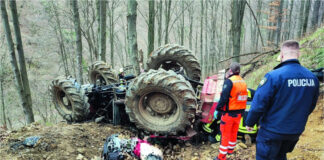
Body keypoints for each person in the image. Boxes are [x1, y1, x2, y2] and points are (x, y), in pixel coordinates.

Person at [245, 40, 320, 160]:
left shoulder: (274, 76)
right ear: (299, 54)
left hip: (272, 132)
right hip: (294, 132)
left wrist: (249, 122)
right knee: (281, 156)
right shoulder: (312, 78)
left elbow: (259, 104)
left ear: (282, 55)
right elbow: (311, 105)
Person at [214, 62, 248, 160]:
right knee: (233, 132)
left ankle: (221, 157)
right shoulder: (243, 81)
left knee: (225, 135)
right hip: (239, 114)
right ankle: (230, 151)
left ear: (230, 71)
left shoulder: (229, 81)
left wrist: (218, 109)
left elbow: (224, 98)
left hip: (228, 114)